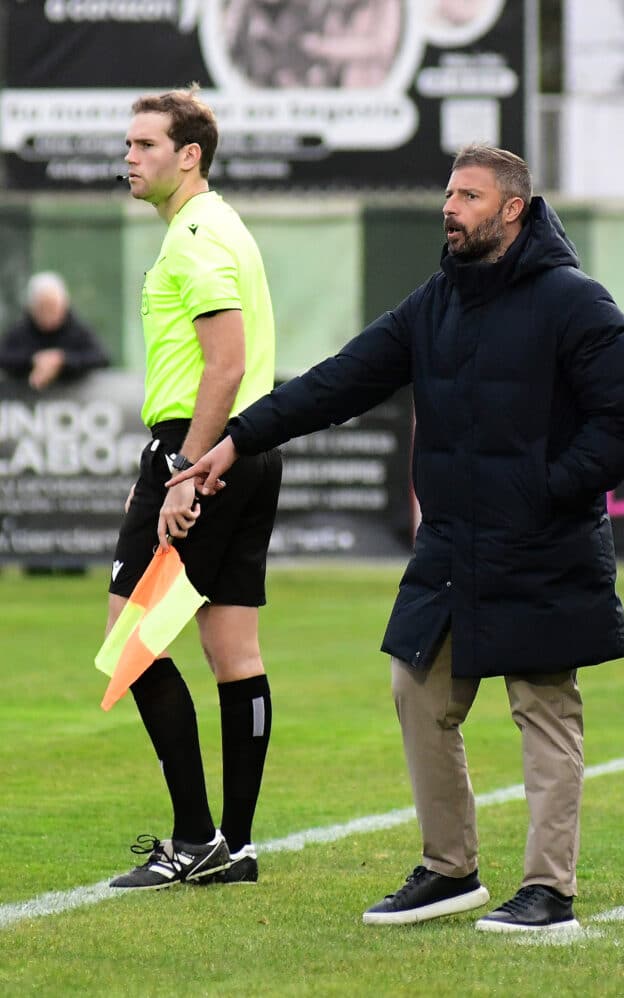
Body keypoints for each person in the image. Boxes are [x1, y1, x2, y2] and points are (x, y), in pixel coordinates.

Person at [168, 144, 624, 930]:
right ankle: (449, 869)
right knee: (417, 688)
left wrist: (545, 491)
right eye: (449, 194)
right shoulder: (437, 302)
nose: (449, 208)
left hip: (542, 543)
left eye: (469, 196)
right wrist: (238, 438)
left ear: (513, 210)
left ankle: (548, 890)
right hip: (452, 549)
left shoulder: (575, 301)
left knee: (543, 708)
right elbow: (338, 380)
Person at [106, 86, 281, 890]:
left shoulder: (195, 237)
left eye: (145, 145)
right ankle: (233, 846)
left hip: (202, 450)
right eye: (128, 144)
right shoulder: (222, 225)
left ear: (189, 156)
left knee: (131, 643)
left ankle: (193, 840)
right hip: (249, 448)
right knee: (232, 649)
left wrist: (183, 469)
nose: (129, 158)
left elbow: (227, 362)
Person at [0, 272, 109, 390]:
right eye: (43, 308)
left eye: (53, 307)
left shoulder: (78, 330)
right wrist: (34, 360)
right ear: (32, 308)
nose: (48, 315)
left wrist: (61, 360)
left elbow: (101, 357)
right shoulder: (21, 330)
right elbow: (5, 356)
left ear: (64, 305)